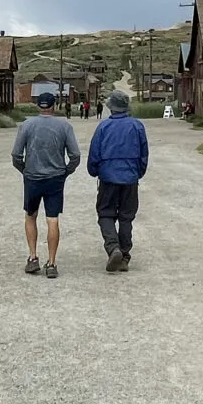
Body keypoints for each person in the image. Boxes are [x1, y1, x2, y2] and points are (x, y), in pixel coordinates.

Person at [11, 91, 80, 277]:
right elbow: (75, 156)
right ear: (54, 105)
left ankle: (33, 257)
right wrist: (66, 171)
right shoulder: (64, 126)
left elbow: (16, 154)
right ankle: (52, 263)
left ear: (37, 106)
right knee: (52, 219)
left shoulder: (26, 125)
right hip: (55, 177)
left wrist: (25, 170)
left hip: (32, 177)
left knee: (30, 216)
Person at [87, 90, 150, 273]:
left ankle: (113, 247)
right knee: (126, 216)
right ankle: (124, 254)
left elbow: (94, 153)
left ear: (111, 108)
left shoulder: (103, 127)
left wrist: (94, 171)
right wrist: (138, 172)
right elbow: (144, 154)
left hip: (107, 177)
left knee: (106, 213)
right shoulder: (137, 126)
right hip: (130, 177)